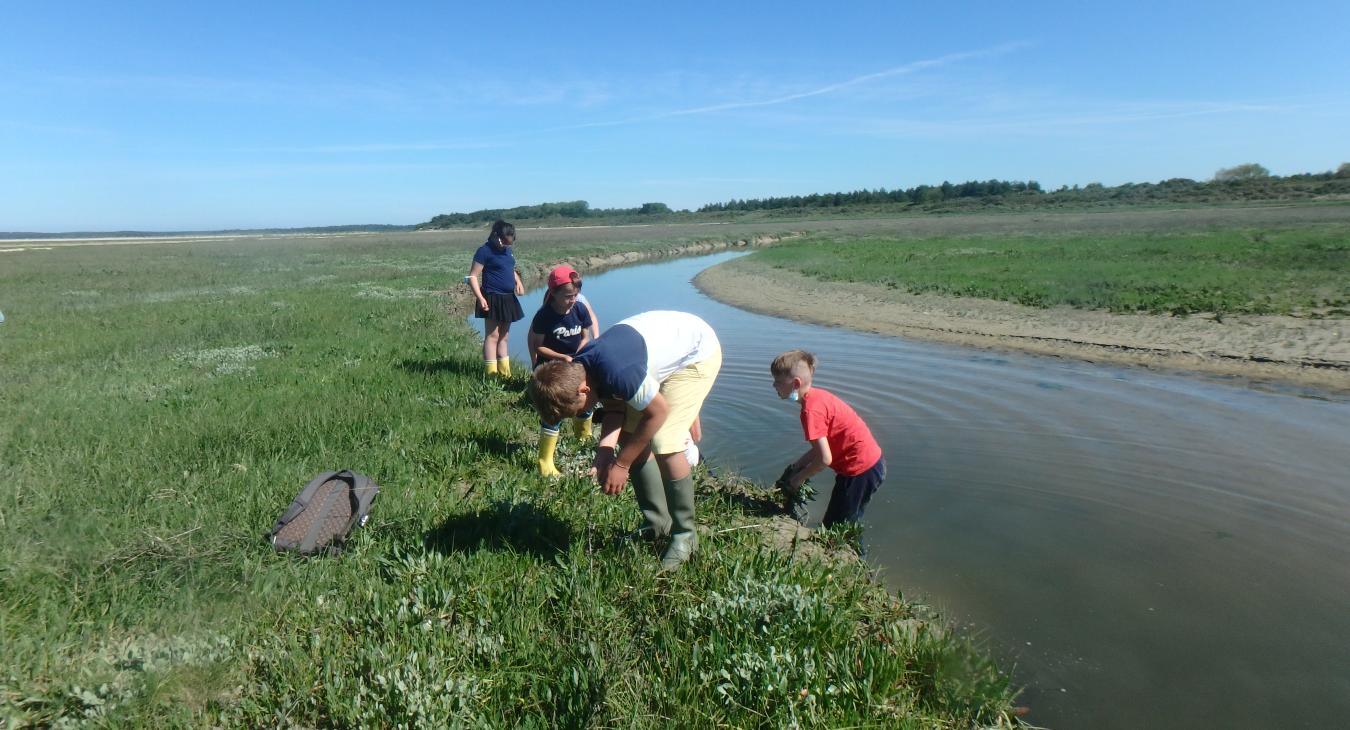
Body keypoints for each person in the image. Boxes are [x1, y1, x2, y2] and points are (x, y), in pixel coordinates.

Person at [529, 311, 721, 572]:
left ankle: (685, 535)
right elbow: (615, 409)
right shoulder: (580, 369)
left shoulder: (617, 371)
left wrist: (621, 465)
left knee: (665, 440)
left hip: (696, 352)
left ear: (583, 391)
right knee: (630, 435)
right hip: (658, 346)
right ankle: (657, 524)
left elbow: (658, 412)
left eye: (577, 411)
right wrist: (604, 453)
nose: (580, 416)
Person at [771, 349, 885, 533]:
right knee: (844, 519)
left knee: (838, 527)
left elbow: (824, 459)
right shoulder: (817, 397)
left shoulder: (811, 412)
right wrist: (797, 466)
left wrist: (798, 479)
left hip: (860, 470)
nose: (773, 385)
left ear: (796, 383)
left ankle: (852, 559)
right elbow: (822, 448)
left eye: (778, 381)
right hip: (870, 464)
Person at [528, 265, 596, 477]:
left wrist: (579, 354)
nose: (572, 300)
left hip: (574, 365)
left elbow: (586, 335)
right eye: (567, 296)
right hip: (552, 369)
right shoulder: (544, 315)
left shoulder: (580, 309)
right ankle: (545, 462)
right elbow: (538, 346)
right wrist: (561, 357)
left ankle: (583, 439)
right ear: (554, 293)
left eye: (575, 295)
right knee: (554, 412)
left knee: (585, 399)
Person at [467, 220, 525, 378]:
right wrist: (480, 297)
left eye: (510, 241)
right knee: (492, 336)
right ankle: (491, 375)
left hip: (508, 298)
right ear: (495, 235)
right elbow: (472, 277)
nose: (506, 244)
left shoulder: (507, 250)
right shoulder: (484, 251)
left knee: (504, 337)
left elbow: (510, 268)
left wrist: (518, 282)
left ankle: (505, 375)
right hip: (491, 297)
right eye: (505, 240)